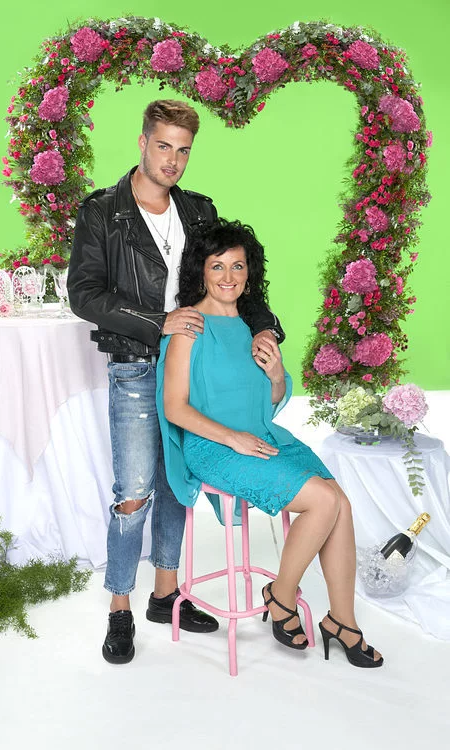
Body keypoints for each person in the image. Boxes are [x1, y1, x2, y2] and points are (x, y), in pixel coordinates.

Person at [67, 100, 285, 664]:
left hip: (196, 364)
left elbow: (233, 275)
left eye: (183, 150)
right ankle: (120, 608)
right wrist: (156, 321)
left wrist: (265, 327)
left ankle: (166, 597)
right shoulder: (103, 212)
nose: (173, 160)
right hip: (138, 364)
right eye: (163, 146)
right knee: (134, 489)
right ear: (142, 143)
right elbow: (84, 295)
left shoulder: (198, 209)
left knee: (175, 482)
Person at [157, 218, 384, 668]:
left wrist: (277, 374)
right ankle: (281, 596)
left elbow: (270, 398)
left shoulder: (253, 327)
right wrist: (232, 438)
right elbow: (175, 408)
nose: (228, 277)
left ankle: (343, 620)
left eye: (237, 266)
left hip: (261, 435)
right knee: (322, 500)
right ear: (200, 271)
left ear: (249, 272)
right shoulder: (188, 328)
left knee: (339, 503)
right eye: (217, 266)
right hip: (213, 445)